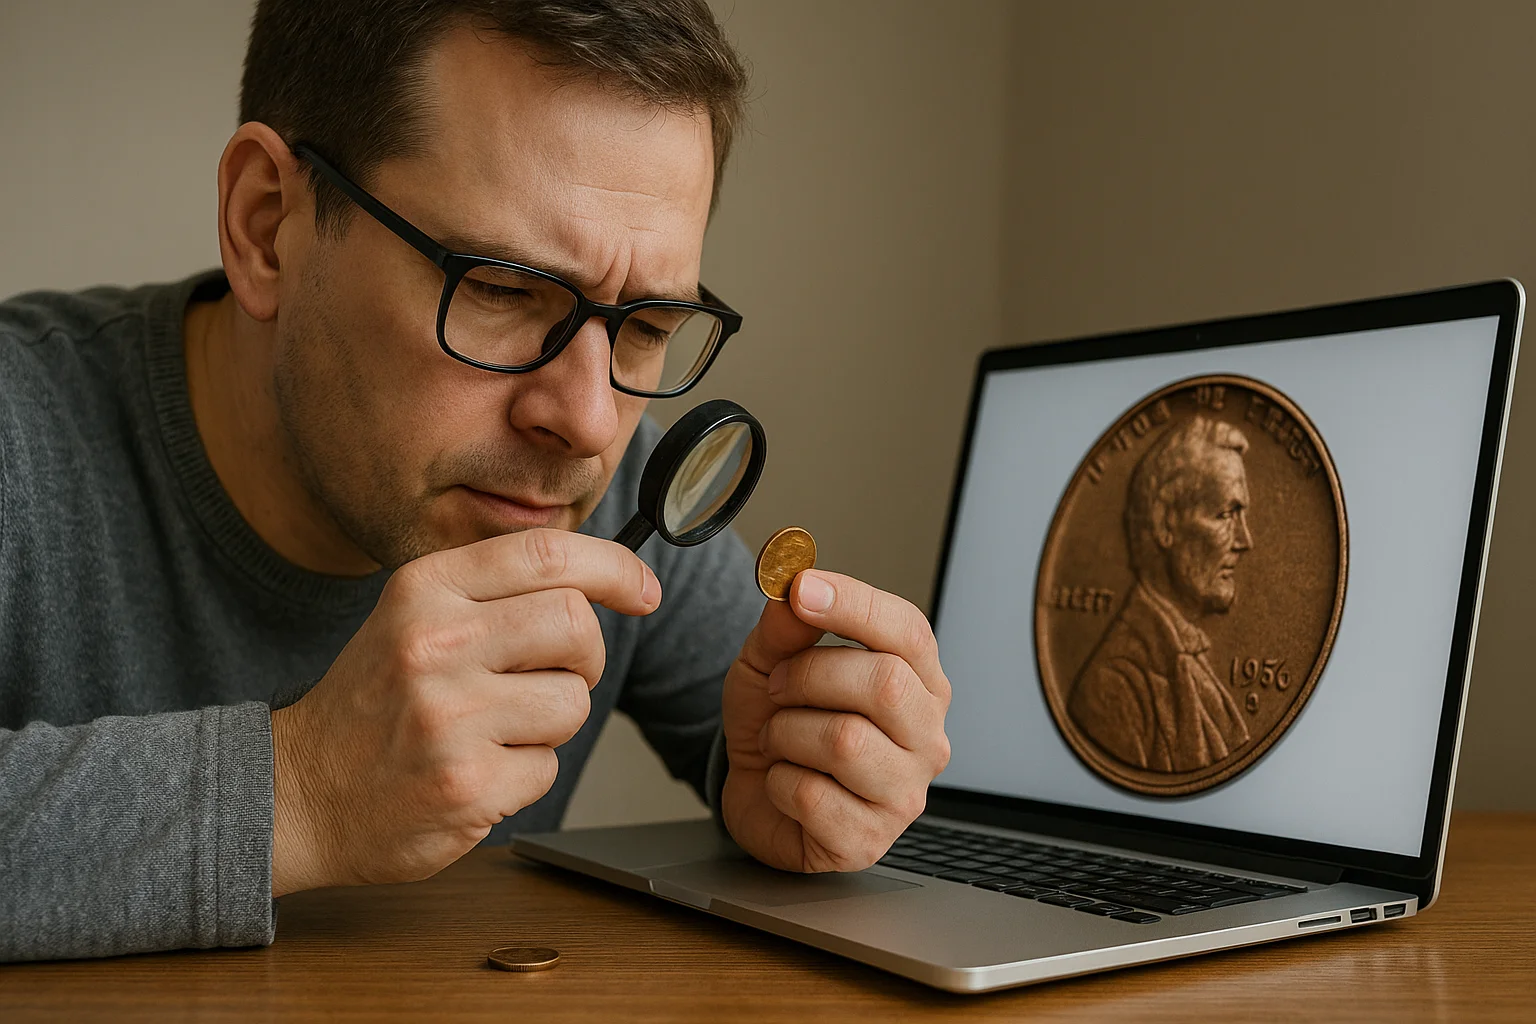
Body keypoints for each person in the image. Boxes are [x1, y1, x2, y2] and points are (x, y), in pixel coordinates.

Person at [0, 0, 951, 962]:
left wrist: (818, 785)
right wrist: (303, 789)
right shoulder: (18, 433)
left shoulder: (624, 501)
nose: (584, 422)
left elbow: (799, 760)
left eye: (651, 325)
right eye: (500, 291)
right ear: (268, 226)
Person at [1068, 415, 1252, 773]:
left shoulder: (1190, 662)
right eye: (1225, 514)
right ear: (1166, 521)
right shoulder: (1115, 686)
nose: (1245, 541)